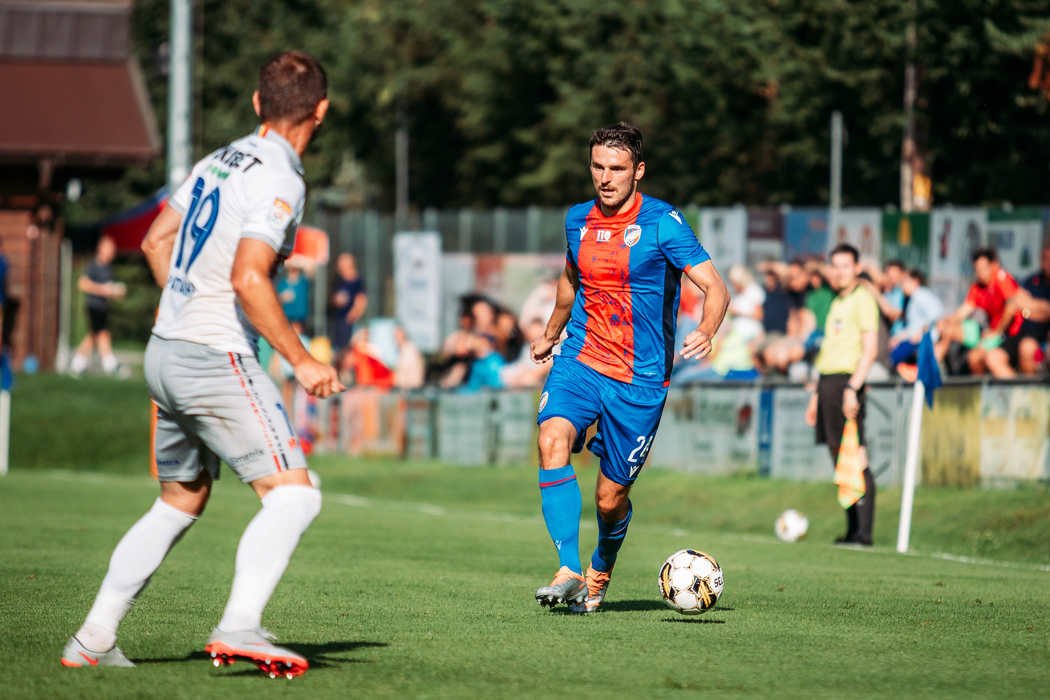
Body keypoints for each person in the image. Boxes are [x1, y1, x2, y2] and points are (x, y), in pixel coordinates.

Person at [62, 51, 343, 674]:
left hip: (166, 350)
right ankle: (241, 626)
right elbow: (248, 278)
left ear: (256, 102)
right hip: (215, 356)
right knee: (296, 498)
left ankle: (92, 639)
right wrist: (300, 360)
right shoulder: (280, 177)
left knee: (180, 498)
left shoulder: (220, 158)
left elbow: (157, 240)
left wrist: (185, 310)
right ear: (321, 111)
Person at [530, 122, 729, 613]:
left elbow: (715, 287)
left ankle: (600, 568)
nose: (605, 177)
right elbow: (569, 281)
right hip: (582, 356)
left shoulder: (664, 223)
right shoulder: (578, 220)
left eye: (616, 168)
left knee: (609, 498)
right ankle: (568, 569)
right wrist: (552, 333)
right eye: (598, 166)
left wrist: (706, 328)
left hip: (640, 378)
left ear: (638, 171)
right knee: (551, 438)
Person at [804, 243, 879, 546]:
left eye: (845, 265)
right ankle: (851, 530)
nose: (840, 271)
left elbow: (870, 351)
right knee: (840, 459)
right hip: (826, 383)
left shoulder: (863, 300)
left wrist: (852, 388)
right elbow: (827, 351)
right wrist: (814, 394)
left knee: (856, 455)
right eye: (835, 265)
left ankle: (865, 533)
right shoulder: (836, 301)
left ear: (857, 268)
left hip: (847, 383)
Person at [935, 247, 1021, 377]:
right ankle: (928, 375)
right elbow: (962, 312)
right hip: (991, 334)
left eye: (983, 269)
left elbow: (1012, 307)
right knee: (948, 330)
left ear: (994, 265)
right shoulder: (977, 287)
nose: (980, 273)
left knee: (977, 357)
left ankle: (1018, 392)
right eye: (977, 270)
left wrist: (996, 331)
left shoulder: (1001, 277)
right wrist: (944, 322)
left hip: (1010, 335)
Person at [986, 247, 1050, 376]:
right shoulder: (1031, 281)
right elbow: (1019, 307)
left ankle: (1032, 393)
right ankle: (1018, 394)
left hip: (1041, 337)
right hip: (1019, 332)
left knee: (1026, 348)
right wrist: (1036, 310)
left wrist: (1029, 306)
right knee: (992, 357)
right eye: (1044, 259)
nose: (1046, 262)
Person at [69, 235, 126, 376]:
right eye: (109, 248)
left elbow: (108, 289)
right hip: (93, 306)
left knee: (94, 335)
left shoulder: (108, 268)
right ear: (101, 248)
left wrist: (115, 292)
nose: (112, 252)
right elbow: (82, 284)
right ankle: (110, 365)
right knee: (102, 334)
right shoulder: (93, 266)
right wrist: (103, 290)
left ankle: (77, 364)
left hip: (103, 307)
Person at [888, 268, 945, 371]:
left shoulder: (921, 295)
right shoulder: (914, 298)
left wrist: (921, 335)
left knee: (893, 358)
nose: (902, 286)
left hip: (921, 342)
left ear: (914, 281)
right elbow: (912, 327)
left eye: (904, 281)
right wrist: (898, 338)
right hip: (914, 340)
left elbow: (937, 317)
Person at [331, 252, 367, 354]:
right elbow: (333, 299)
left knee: (350, 350)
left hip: (350, 323)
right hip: (339, 321)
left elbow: (361, 302)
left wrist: (350, 318)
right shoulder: (339, 281)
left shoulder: (357, 281)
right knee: (338, 351)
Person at [277, 263, 310, 332]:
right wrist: (282, 297)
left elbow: (311, 270)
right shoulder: (281, 282)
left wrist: (299, 261)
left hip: (299, 318)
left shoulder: (303, 282)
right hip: (285, 317)